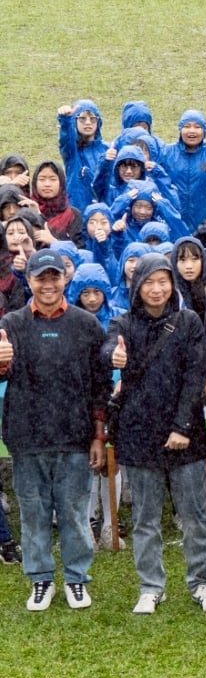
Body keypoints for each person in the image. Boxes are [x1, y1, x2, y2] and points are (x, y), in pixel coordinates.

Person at [107, 252, 206, 615]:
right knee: (145, 518)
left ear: (172, 285)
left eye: (162, 281)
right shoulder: (122, 323)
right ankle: (150, 586)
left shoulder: (188, 322)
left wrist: (182, 427)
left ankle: (202, 582)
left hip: (184, 437)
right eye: (148, 282)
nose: (156, 290)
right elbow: (108, 349)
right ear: (137, 287)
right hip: (139, 436)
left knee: (195, 516)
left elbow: (195, 376)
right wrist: (114, 357)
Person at [1, 250, 112, 611]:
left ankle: (77, 579)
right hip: (26, 437)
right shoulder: (11, 324)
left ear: (66, 279)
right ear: (29, 280)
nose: (48, 284)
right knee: (33, 514)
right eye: (40, 278)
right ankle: (40, 579)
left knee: (74, 513)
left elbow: (100, 384)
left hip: (76, 436)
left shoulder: (86, 324)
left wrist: (99, 434)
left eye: (54, 277)